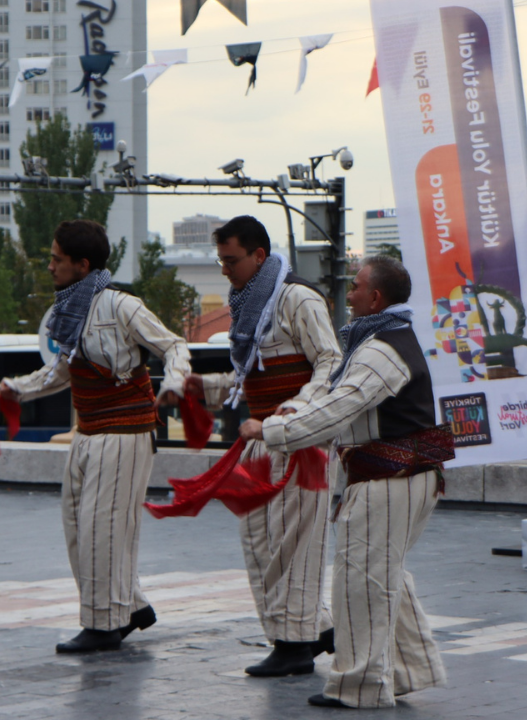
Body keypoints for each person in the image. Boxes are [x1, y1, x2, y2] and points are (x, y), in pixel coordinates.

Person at [240, 256, 453, 709]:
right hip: (401, 477)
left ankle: (359, 686)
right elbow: (337, 398)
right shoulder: (385, 339)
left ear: (375, 298)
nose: (348, 293)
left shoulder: (380, 350)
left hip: (388, 480)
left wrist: (272, 431)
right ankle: (410, 669)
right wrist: (293, 412)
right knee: (384, 572)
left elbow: (340, 409)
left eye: (355, 286)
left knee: (361, 578)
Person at [1, 219, 191, 653]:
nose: (49, 266)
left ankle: (104, 624)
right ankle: (133, 605)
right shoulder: (70, 309)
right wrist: (13, 389)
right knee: (75, 523)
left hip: (125, 432)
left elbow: (175, 345)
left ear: (82, 265)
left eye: (56, 259)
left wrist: (174, 384)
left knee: (101, 527)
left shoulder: (121, 305)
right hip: (88, 431)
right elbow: (61, 371)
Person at [180, 216, 341, 676]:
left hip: (299, 441)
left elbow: (330, 362)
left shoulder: (298, 298)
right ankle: (315, 627)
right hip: (262, 438)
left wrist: (294, 412)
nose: (225, 270)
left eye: (231, 261)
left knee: (292, 542)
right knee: (258, 538)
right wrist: (206, 386)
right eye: (221, 260)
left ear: (259, 256)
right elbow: (251, 377)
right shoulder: (251, 304)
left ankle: (294, 645)